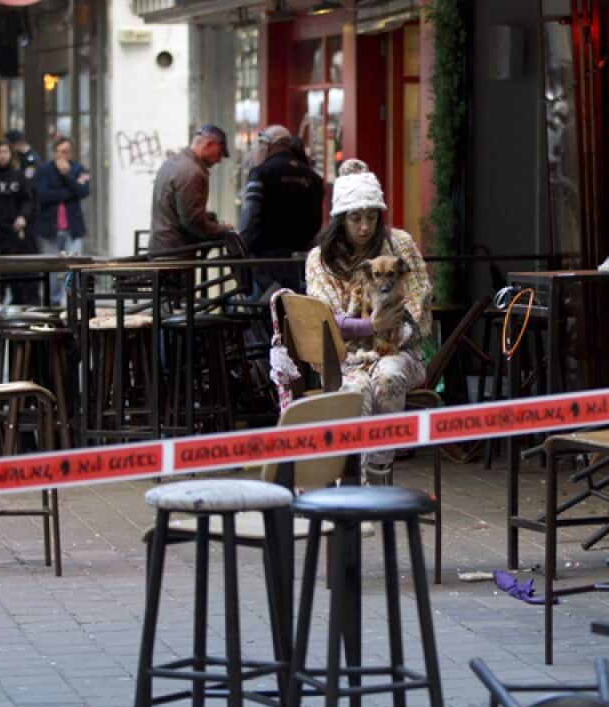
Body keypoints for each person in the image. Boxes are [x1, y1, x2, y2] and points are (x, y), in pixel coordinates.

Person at [305, 158, 432, 481]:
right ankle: (352, 478)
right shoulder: (321, 259)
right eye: (356, 218)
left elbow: (419, 293)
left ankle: (379, 464)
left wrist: (396, 333)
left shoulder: (399, 244)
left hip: (400, 350)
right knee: (356, 391)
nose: (365, 226)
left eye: (372, 217)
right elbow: (326, 317)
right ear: (340, 219)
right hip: (345, 357)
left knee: (388, 377)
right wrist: (370, 327)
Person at [240, 126, 323, 295]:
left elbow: (250, 215)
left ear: (270, 145)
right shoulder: (312, 176)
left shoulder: (261, 173)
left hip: (267, 259)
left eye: (261, 143)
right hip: (302, 258)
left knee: (265, 311)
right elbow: (317, 219)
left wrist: (243, 245)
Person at [150, 124, 232, 255]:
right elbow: (192, 221)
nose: (219, 160)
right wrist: (222, 230)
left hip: (164, 247)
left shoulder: (173, 162)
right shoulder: (192, 171)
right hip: (176, 253)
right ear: (210, 144)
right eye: (220, 153)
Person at [33, 136, 89, 304]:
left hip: (72, 228)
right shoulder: (44, 170)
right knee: (51, 269)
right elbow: (42, 195)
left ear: (71, 153)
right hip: (50, 228)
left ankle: (73, 302)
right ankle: (52, 302)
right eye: (58, 152)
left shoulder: (78, 169)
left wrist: (67, 176)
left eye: (65, 152)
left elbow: (83, 191)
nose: (61, 156)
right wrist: (67, 194)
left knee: (75, 267)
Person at [0, 139, 37, 305]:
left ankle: (16, 301)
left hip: (13, 228)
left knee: (14, 267)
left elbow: (28, 199)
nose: (2, 156)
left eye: (5, 152)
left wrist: (23, 216)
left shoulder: (18, 175)